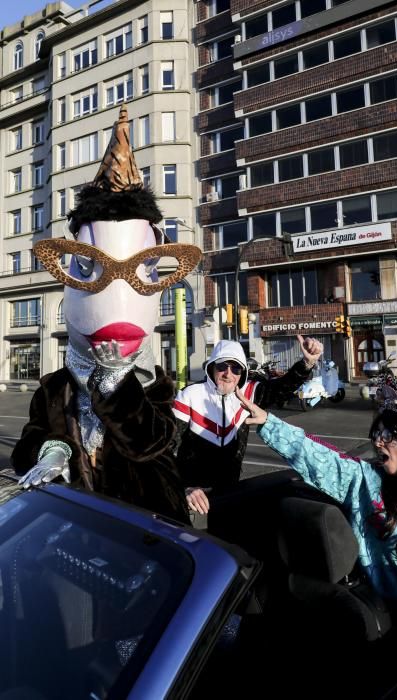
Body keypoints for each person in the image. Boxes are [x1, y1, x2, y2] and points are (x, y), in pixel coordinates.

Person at [11, 105, 202, 524]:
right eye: (88, 268)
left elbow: (151, 443)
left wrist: (117, 383)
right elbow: (26, 446)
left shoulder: (153, 382)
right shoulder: (55, 388)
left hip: (145, 529)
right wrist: (53, 452)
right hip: (75, 526)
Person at [235, 375, 397, 601]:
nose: (377, 442)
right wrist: (268, 422)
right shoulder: (365, 481)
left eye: (387, 435)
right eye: (376, 434)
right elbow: (319, 458)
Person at [173, 336, 323, 515]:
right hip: (192, 499)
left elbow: (282, 388)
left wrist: (306, 363)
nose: (228, 374)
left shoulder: (249, 393)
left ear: (242, 372)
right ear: (212, 367)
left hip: (231, 492)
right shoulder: (188, 395)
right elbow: (168, 448)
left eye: (236, 368)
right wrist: (184, 488)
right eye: (222, 366)